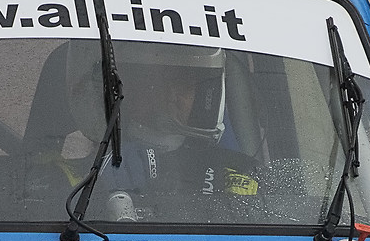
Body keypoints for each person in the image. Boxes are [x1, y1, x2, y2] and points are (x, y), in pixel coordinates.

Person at [59, 41, 264, 222]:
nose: (169, 96)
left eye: (183, 83)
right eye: (151, 83)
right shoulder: (64, 180)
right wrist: (97, 190)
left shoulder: (241, 180)